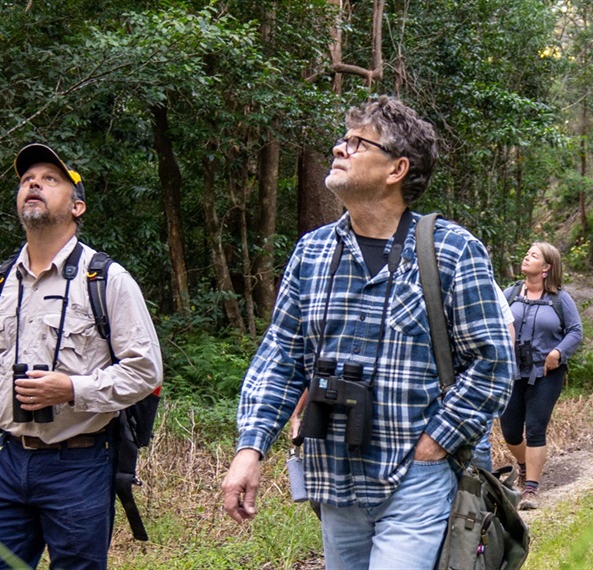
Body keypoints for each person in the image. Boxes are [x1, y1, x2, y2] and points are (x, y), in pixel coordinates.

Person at [220, 96, 514, 569]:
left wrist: (434, 443)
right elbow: (280, 358)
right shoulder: (311, 252)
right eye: (343, 138)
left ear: (397, 168)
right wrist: (250, 449)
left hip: (414, 478)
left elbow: (493, 363)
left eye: (357, 142)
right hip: (332, 483)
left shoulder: (452, 251)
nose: (340, 148)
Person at [0, 144, 164, 569]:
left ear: (77, 206)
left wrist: (71, 389)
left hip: (79, 463)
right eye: (27, 180)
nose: (34, 185)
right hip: (6, 462)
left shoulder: (106, 279)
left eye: (50, 179)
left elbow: (145, 372)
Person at [499, 242, 584, 510]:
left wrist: (558, 352)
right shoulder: (510, 293)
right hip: (513, 372)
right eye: (527, 253)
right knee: (510, 431)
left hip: (546, 373)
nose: (527, 256)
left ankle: (531, 489)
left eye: (534, 255)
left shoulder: (560, 299)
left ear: (547, 268)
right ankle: (524, 467)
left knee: (535, 428)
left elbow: (575, 331)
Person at [471, 283, 517, 473]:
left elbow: (508, 326)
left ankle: (485, 496)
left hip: (481, 376)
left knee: (479, 446)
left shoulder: (485, 282)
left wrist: (502, 369)